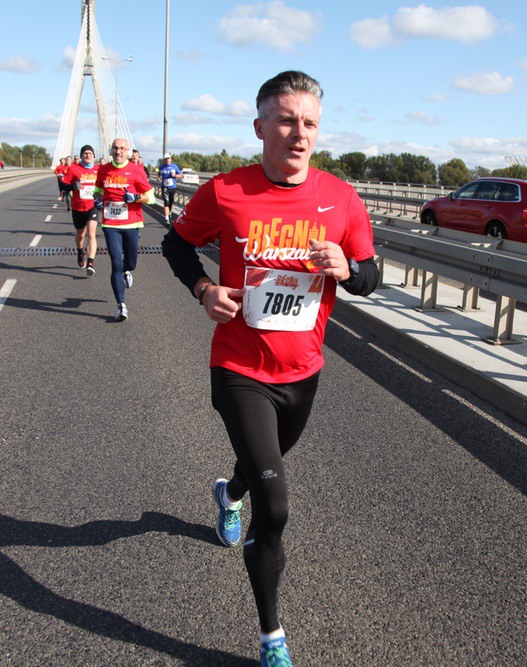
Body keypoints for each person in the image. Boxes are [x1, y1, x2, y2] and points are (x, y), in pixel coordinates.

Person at [161, 70, 379, 667]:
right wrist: (204, 288)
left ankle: (228, 492)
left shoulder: (342, 198)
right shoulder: (226, 191)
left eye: (309, 123)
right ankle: (271, 636)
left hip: (303, 372)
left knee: (263, 466)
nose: (299, 134)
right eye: (286, 120)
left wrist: (346, 269)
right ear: (260, 127)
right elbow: (176, 244)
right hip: (238, 367)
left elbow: (370, 277)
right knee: (275, 505)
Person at [93, 138, 154, 322]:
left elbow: (150, 197)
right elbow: (97, 190)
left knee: (131, 263)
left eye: (122, 148)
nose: (118, 151)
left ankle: (127, 270)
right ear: (111, 151)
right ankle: (121, 305)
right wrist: (97, 199)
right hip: (110, 223)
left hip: (131, 223)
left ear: (128, 151)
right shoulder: (104, 169)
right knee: (115, 262)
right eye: (115, 148)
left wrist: (135, 197)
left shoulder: (137, 170)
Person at [60, 145, 101, 275]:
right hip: (78, 206)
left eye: (90, 153)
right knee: (80, 234)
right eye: (85, 153)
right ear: (82, 155)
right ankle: (80, 251)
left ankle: (90, 263)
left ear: (94, 156)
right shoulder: (74, 168)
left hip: (93, 206)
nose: (88, 155)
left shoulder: (99, 169)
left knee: (91, 233)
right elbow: (63, 184)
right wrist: (73, 186)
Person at [158, 152, 183, 223]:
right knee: (166, 202)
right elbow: (159, 173)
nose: (167, 160)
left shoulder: (174, 166)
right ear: (164, 160)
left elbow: (181, 175)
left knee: (170, 203)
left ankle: (169, 213)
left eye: (168, 158)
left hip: (172, 187)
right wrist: (158, 177)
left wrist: (175, 175)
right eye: (166, 159)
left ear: (171, 159)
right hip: (164, 187)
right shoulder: (162, 166)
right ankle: (167, 219)